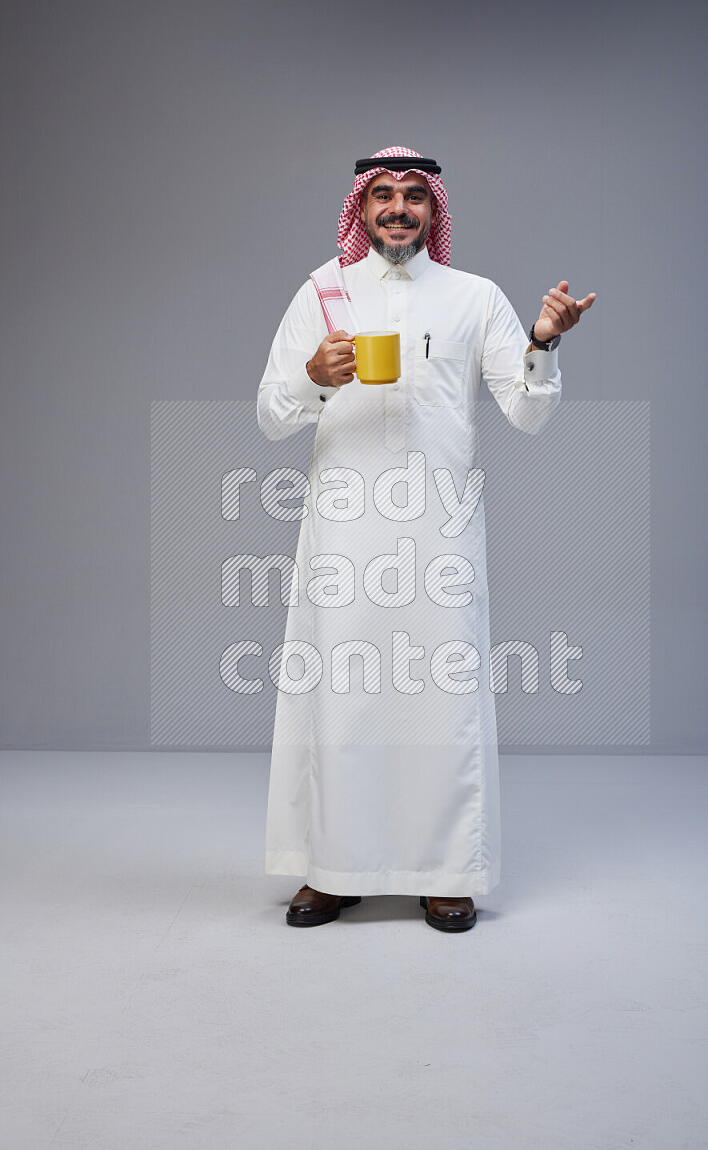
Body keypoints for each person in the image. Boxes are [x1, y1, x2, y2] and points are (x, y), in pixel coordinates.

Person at [256, 146, 595, 932]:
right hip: (345, 531)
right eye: (383, 195)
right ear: (361, 208)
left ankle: (447, 870)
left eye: (415, 196)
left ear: (435, 211)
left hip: (440, 533)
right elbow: (272, 413)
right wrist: (314, 373)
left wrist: (545, 339)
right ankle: (331, 869)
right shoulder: (323, 291)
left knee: (441, 697)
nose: (399, 208)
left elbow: (527, 410)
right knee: (341, 695)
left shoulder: (475, 298)